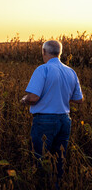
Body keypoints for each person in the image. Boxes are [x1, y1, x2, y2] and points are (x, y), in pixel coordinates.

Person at [21, 40, 83, 188]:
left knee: (40, 158)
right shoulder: (70, 71)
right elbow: (79, 99)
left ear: (44, 52)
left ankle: (43, 185)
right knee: (59, 159)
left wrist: (24, 100)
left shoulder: (43, 70)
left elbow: (34, 98)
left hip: (45, 121)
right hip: (64, 120)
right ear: (59, 53)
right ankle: (56, 185)